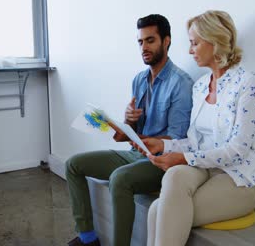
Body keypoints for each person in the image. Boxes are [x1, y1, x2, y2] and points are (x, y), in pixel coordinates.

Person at [130, 10, 255, 246]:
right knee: (172, 180)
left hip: (237, 177)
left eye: (194, 43)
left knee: (158, 211)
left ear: (214, 41)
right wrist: (163, 145)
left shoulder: (248, 84)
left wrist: (182, 157)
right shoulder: (201, 86)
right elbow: (195, 143)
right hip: (205, 169)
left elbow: (237, 150)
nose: (189, 50)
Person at [66, 14, 194, 246]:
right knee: (73, 164)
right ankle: (88, 238)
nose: (144, 47)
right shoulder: (139, 80)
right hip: (136, 154)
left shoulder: (181, 84)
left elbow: (177, 139)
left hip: (161, 163)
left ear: (166, 41)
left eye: (150, 40)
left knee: (120, 178)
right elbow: (130, 134)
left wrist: (141, 138)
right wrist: (128, 121)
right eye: (140, 42)